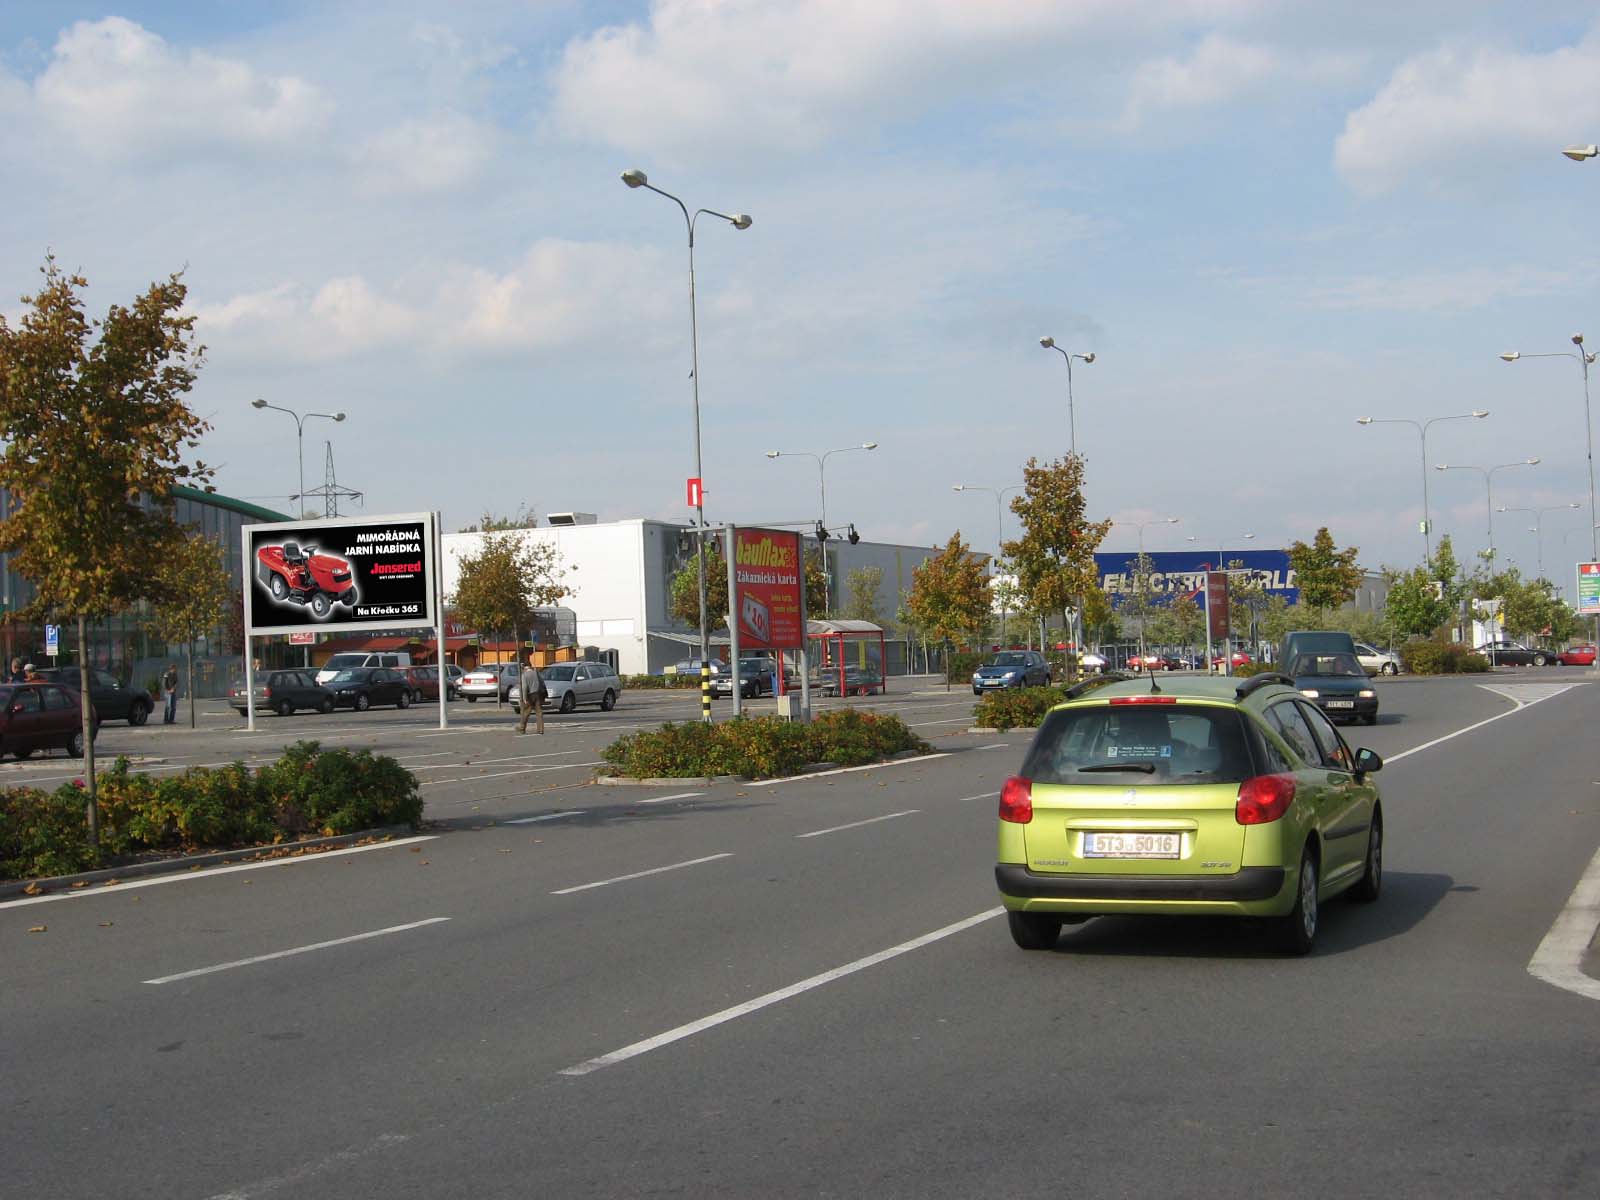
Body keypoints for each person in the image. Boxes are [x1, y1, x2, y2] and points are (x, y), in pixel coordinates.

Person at [516, 658, 545, 735]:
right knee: (539, 712)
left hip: (530, 695)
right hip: (538, 694)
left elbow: (524, 687)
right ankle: (541, 729)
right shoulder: (536, 673)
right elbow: (542, 682)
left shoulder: (524, 675)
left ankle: (522, 728)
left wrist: (525, 698)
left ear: (525, 668)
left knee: (526, 712)